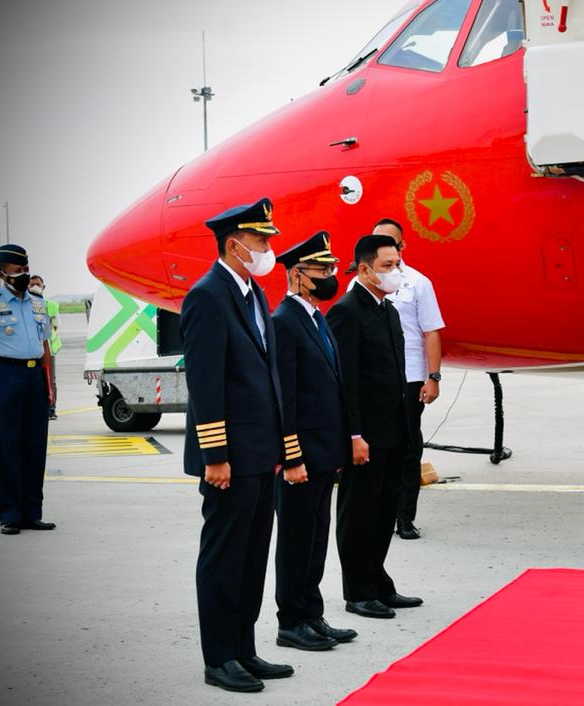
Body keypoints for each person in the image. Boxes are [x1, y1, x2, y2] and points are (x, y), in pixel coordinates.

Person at [181, 197, 296, 693]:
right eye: (261, 240)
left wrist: (278, 450)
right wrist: (216, 457)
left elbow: (266, 377)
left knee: (252, 557)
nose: (269, 248)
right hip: (230, 459)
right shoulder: (208, 296)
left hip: (259, 455)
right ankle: (219, 657)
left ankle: (244, 649)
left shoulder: (252, 294)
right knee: (225, 558)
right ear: (235, 244)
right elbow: (206, 385)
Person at [270, 231, 359, 651]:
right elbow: (284, 396)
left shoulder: (314, 316)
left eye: (331, 268)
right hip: (301, 454)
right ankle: (291, 620)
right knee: (296, 538)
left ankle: (312, 613)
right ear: (297, 275)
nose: (329, 276)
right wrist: (291, 455)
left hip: (324, 451)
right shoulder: (283, 321)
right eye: (320, 270)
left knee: (316, 536)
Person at [327, 234, 423, 620]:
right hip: (365, 434)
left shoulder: (389, 310)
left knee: (384, 511)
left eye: (397, 264)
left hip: (394, 430)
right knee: (359, 512)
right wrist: (353, 434)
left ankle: (378, 580)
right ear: (364, 269)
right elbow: (345, 380)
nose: (395, 272)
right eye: (387, 266)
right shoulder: (347, 312)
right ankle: (357, 590)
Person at [0, 244, 56, 535]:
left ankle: (32, 513)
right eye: (16, 272)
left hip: (34, 379)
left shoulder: (37, 302)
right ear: (1, 273)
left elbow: (45, 347)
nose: (22, 276)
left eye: (25, 270)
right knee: (8, 447)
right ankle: (10, 514)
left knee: (35, 447)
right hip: (6, 375)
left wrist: (49, 387)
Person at [370, 218, 445, 540]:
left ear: (402, 246)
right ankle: (378, 515)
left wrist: (434, 377)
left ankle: (404, 517)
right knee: (375, 448)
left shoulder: (417, 283)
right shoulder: (360, 283)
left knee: (407, 447)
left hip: (410, 378)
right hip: (373, 379)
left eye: (390, 242)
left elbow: (431, 332)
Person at [29, 275, 61, 420]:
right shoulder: (26, 304)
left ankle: (51, 408)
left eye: (38, 284)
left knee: (50, 379)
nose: (35, 287)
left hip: (49, 347)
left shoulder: (51, 305)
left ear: (43, 287)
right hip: (32, 349)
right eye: (32, 284)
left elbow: (55, 326)